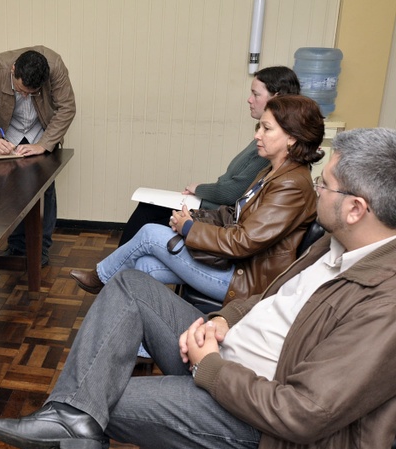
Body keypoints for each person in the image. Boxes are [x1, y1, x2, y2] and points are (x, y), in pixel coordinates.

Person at [0, 127, 396, 449]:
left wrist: (211, 367)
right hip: (223, 357)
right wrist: (223, 320)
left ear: (356, 208)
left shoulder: (385, 303)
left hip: (260, 424)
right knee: (129, 283)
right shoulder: (337, 243)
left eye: (324, 185)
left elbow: (303, 414)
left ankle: (73, 417)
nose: (316, 190)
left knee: (90, 405)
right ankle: (72, 416)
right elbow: (270, 298)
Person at [71, 94, 324, 306]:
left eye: (266, 129)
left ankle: (100, 276)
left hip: (245, 281)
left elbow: (244, 241)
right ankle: (141, 348)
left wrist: (190, 228)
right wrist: (194, 217)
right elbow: (234, 214)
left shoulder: (291, 185)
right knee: (144, 266)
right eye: (260, 127)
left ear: (292, 137)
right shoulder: (273, 171)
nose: (258, 134)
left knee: (149, 233)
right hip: (235, 266)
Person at [119, 66, 300, 246]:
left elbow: (232, 192)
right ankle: (116, 270)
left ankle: (111, 271)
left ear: (276, 97)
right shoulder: (262, 139)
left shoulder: (272, 146)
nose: (249, 100)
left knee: (148, 212)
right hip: (219, 209)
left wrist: (198, 188)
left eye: (256, 94)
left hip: (223, 215)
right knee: (148, 210)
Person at [0, 46, 76, 266]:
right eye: (21, 90)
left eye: (32, 92)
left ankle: (41, 249)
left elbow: (67, 107)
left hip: (42, 132)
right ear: (13, 69)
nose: (25, 95)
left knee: (44, 189)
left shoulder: (55, 66)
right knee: (9, 189)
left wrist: (44, 144)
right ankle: (17, 247)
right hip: (9, 133)